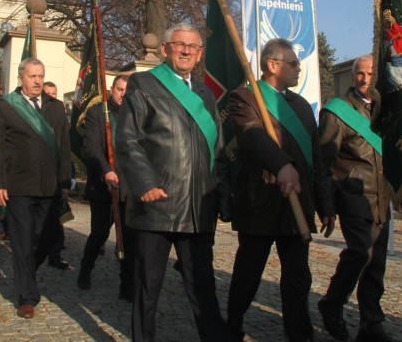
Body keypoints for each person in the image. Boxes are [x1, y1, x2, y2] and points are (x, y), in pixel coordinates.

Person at [116, 23, 234, 342]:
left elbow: (218, 151)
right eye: (179, 44)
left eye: (192, 47)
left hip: (197, 208)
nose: (185, 50)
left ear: (199, 55)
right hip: (156, 205)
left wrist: (222, 198)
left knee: (203, 288)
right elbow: (127, 140)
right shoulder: (142, 84)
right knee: (147, 288)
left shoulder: (206, 94)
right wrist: (145, 182)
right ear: (166, 49)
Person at [226, 38, 330, 342]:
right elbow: (252, 137)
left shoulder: (300, 106)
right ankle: (232, 325)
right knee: (248, 274)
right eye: (293, 63)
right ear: (273, 65)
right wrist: (282, 164)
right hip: (261, 203)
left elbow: (317, 158)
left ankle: (299, 333)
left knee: (298, 277)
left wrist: (325, 203)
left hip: (298, 204)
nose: (299, 68)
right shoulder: (245, 98)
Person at [317, 54, 395, 342]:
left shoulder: (385, 111)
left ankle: (371, 325)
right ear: (353, 77)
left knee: (377, 263)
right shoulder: (337, 111)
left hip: (380, 196)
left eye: (370, 74)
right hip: (352, 195)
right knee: (361, 253)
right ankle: (332, 303)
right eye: (360, 74)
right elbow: (323, 161)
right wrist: (325, 205)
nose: (365, 79)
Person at [0, 58, 71, 319]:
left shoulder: (56, 108)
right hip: (19, 185)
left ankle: (27, 271)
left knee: (47, 238)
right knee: (22, 241)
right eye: (32, 76)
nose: (37, 81)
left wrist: (65, 180)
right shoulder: (5, 107)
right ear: (21, 78)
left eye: (40, 76)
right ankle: (27, 296)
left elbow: (64, 146)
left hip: (49, 186)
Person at [78, 74, 136, 299]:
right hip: (104, 186)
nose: (123, 94)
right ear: (112, 89)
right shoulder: (97, 113)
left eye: (127, 90)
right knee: (100, 233)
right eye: (119, 89)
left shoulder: (136, 114)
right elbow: (90, 148)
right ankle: (85, 268)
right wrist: (106, 170)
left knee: (129, 238)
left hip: (129, 187)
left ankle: (127, 284)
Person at [42, 80, 70, 270]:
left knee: (57, 220)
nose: (52, 96)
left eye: (55, 93)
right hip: (38, 176)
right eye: (48, 93)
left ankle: (55, 254)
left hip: (56, 177)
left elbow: (65, 147)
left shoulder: (60, 113)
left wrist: (67, 179)